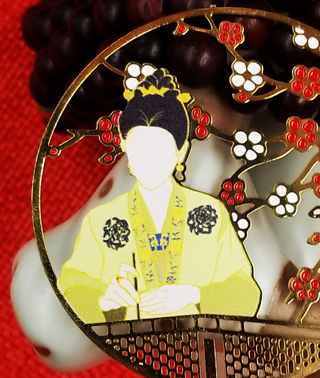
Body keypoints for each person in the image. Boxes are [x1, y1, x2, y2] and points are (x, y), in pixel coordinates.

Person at [58, 69, 261, 323]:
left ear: (180, 151)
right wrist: (105, 300)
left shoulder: (210, 214)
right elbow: (71, 286)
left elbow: (247, 293)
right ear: (125, 147)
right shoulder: (103, 220)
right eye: (139, 148)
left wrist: (193, 294)